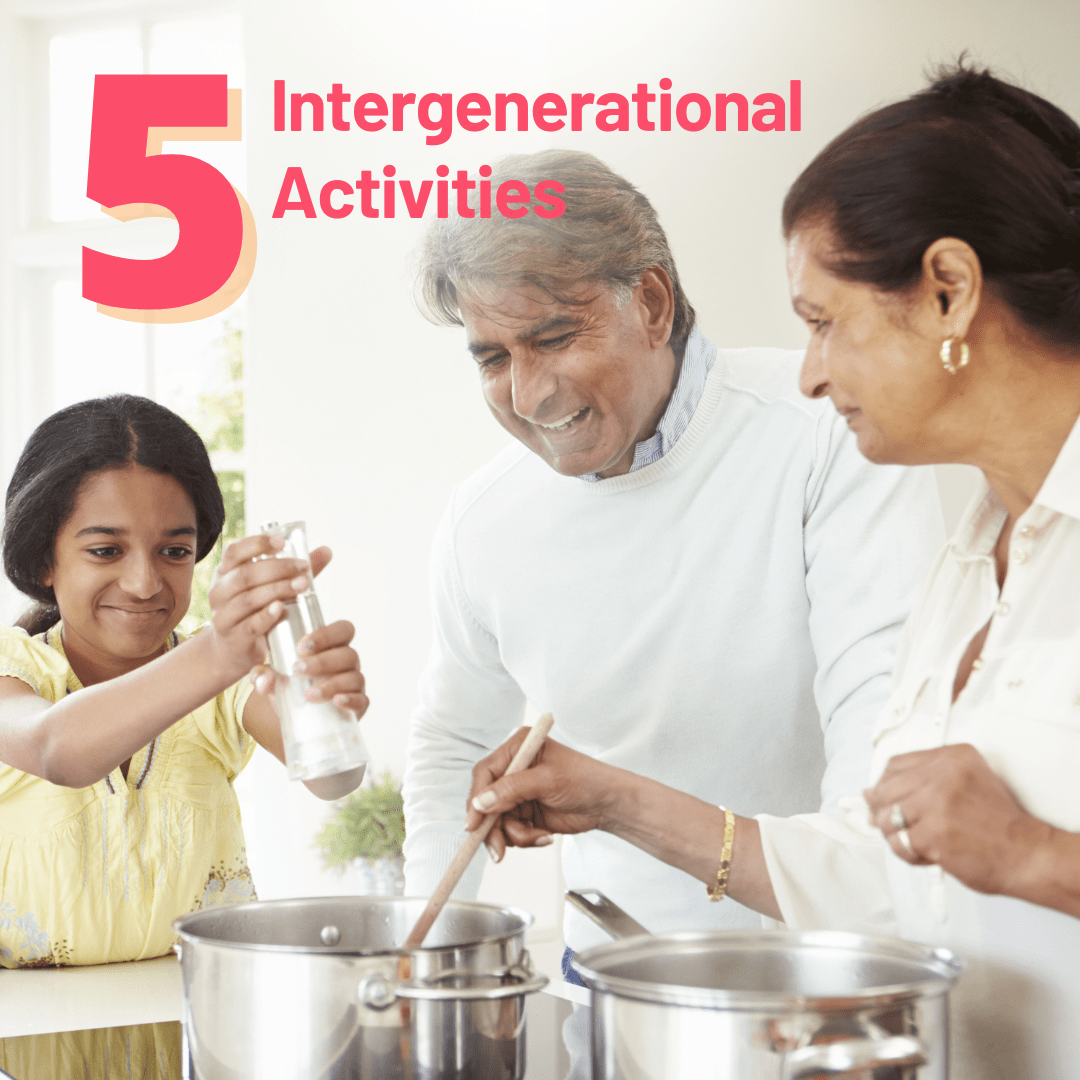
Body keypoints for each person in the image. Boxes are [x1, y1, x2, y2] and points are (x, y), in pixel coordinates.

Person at [466, 65, 1080, 1080]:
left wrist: (1035, 856)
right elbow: (880, 884)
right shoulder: (972, 560)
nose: (809, 372)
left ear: (949, 291)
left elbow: (997, 851)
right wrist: (614, 798)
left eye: (825, 320)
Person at [402, 149, 945, 961]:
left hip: (814, 974)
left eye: (552, 337)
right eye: (491, 357)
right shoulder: (485, 517)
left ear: (651, 301)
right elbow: (450, 742)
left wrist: (839, 966)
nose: (527, 394)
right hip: (612, 977)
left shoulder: (824, 438)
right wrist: (424, 957)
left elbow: (879, 778)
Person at [0, 394, 369, 968]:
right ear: (44, 559)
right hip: (30, 1028)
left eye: (175, 551)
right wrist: (220, 653)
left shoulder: (223, 677)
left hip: (191, 1012)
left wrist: (325, 703)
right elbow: (56, 749)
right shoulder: (12, 670)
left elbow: (336, 780)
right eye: (105, 550)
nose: (145, 583)